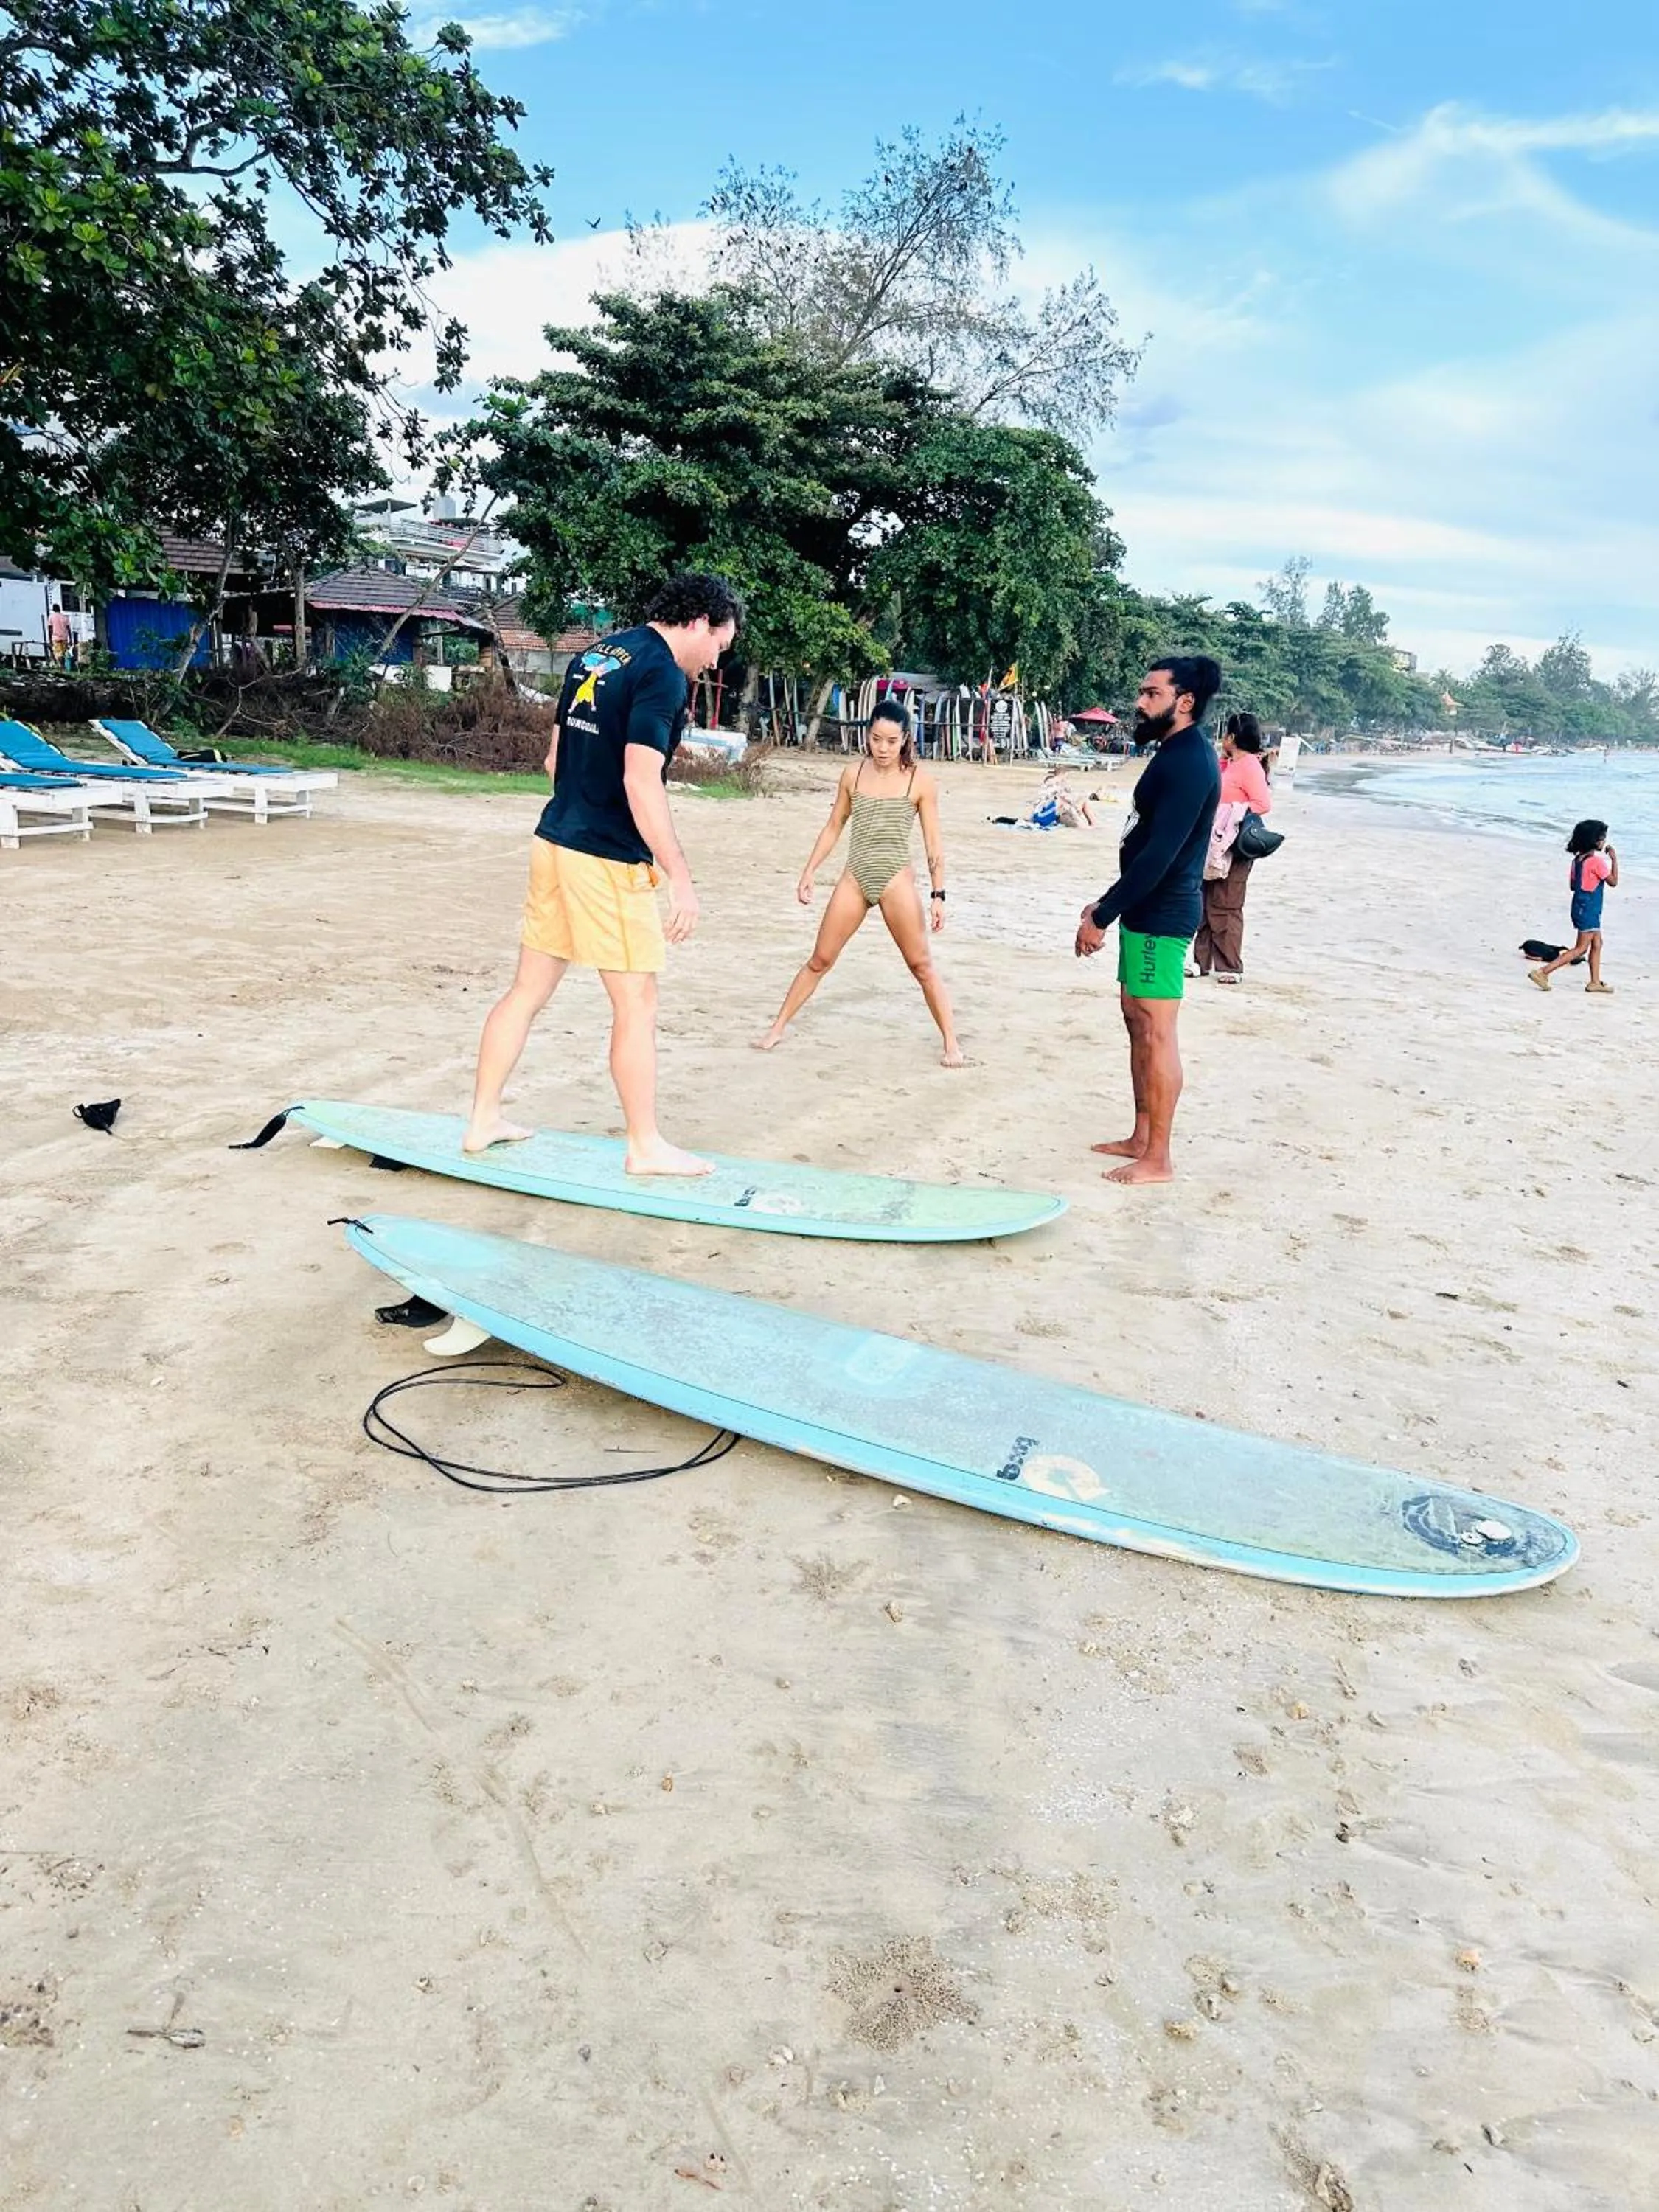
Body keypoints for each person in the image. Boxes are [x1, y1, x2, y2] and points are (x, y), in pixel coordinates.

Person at [462, 571, 742, 1169]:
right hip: (604, 857)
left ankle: (483, 1118)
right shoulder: (662, 675)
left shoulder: (600, 652)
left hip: (555, 840)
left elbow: (554, 758)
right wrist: (680, 877)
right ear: (700, 623)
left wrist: (580, 809)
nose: (716, 661)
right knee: (637, 1001)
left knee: (527, 991)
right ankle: (644, 1146)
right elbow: (641, 781)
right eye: (720, 645)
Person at [1074, 655, 1223, 1185]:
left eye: (1151, 693)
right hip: (1142, 908)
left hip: (1164, 914)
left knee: (1158, 1031)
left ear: (1185, 702)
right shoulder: (1173, 752)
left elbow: (1161, 855)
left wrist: (1104, 914)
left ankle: (1158, 1158)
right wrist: (1110, 902)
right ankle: (1141, 1135)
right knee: (1136, 1019)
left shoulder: (1191, 762)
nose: (1140, 702)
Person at [754, 699, 965, 1066]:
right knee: (820, 959)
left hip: (895, 878)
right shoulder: (853, 774)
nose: (882, 749)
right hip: (855, 876)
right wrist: (809, 871)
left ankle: (951, 1043)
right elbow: (835, 824)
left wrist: (938, 894)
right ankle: (777, 1027)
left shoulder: (921, 781)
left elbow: (934, 843)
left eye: (891, 741)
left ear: (905, 740)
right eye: (876, 739)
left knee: (921, 965)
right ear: (867, 735)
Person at [1193, 710, 1273, 981]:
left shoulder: (1250, 766)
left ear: (1232, 737)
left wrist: (1230, 814)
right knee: (1203, 900)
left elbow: (1263, 804)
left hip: (1235, 844)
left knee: (1227, 903)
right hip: (1212, 842)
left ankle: (1229, 966)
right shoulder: (1225, 764)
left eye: (1224, 735)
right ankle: (1199, 961)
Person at [1530, 820, 1617, 994]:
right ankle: (1542, 972)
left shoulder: (1577, 860)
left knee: (1597, 943)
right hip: (1591, 908)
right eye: (1602, 838)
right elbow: (1613, 881)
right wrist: (1614, 859)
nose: (1604, 841)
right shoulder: (1597, 862)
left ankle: (1595, 982)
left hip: (1578, 905)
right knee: (1581, 948)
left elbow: (1573, 885)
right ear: (1595, 841)